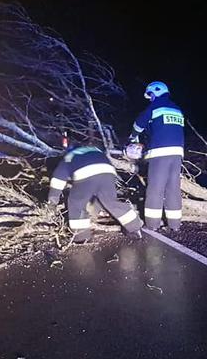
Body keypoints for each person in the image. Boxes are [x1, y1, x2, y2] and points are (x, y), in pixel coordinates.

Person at [47, 145, 143, 242]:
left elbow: (57, 180)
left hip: (86, 173)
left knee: (76, 203)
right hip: (108, 172)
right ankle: (134, 228)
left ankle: (81, 236)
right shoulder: (94, 149)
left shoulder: (69, 157)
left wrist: (52, 201)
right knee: (110, 202)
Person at [129, 81, 184, 231]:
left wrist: (133, 139)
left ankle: (152, 225)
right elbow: (164, 129)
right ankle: (175, 225)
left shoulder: (154, 107)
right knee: (173, 188)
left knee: (155, 188)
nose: (150, 98)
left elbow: (138, 125)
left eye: (151, 95)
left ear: (156, 92)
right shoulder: (177, 109)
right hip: (177, 153)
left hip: (160, 153)